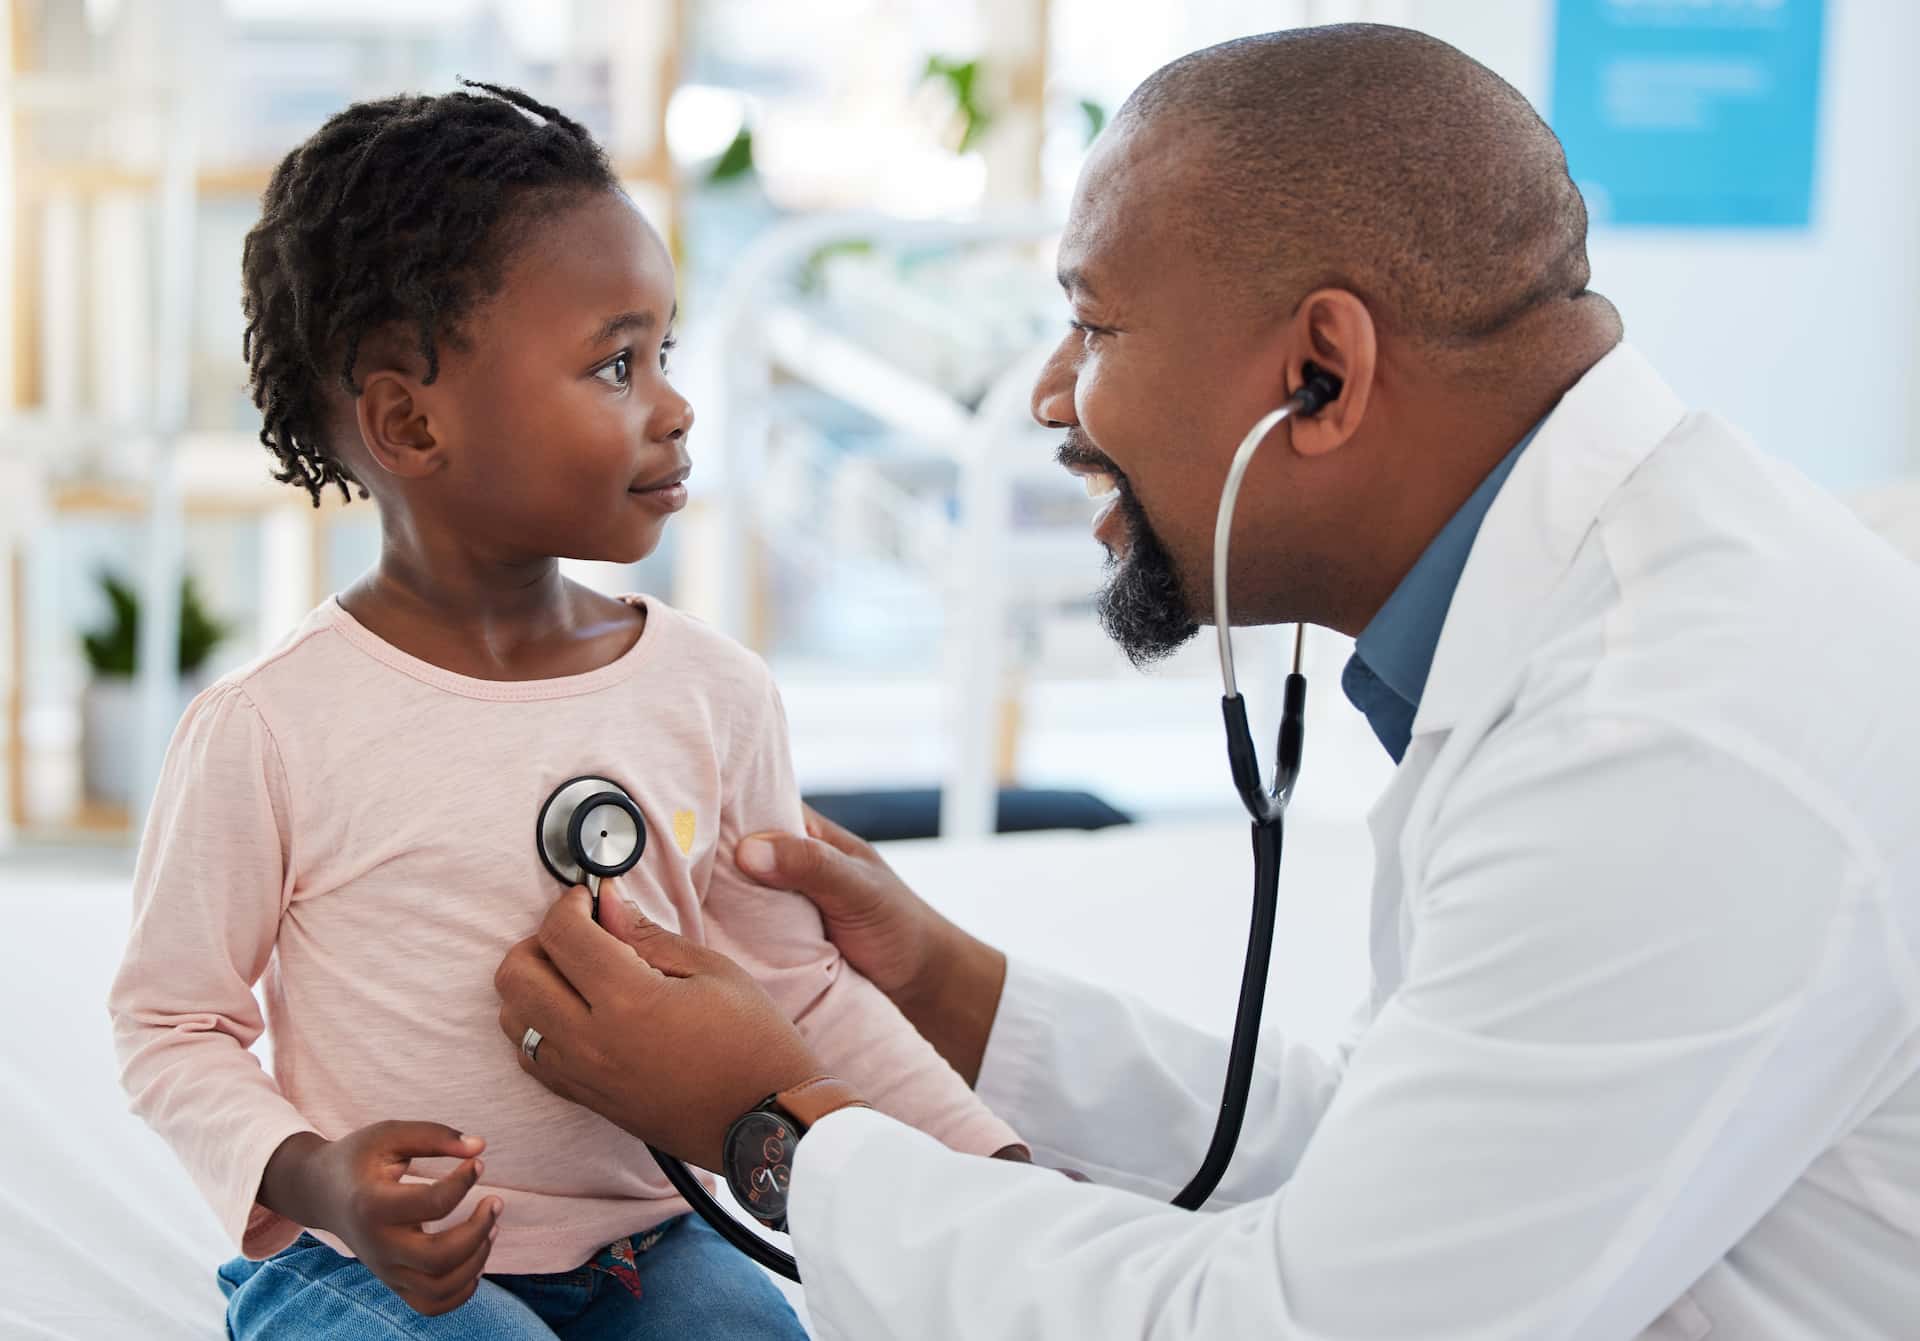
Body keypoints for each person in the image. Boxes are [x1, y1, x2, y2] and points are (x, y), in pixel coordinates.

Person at [493, 24, 1920, 1340]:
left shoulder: (1666, 738)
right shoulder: (1611, 604)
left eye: (1095, 327)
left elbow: (1301, 1322)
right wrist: (943, 986)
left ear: (1321, 373)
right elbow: (1398, 1163)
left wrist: (766, 1123)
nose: (1052, 392)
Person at [106, 82, 1022, 1341]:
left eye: (666, 356)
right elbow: (172, 1023)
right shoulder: (272, 729)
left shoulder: (713, 692)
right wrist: (324, 1177)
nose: (675, 405)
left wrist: (990, 1166)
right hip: (367, 1267)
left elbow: (794, 991)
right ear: (409, 420)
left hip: (650, 1246)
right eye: (613, 364)